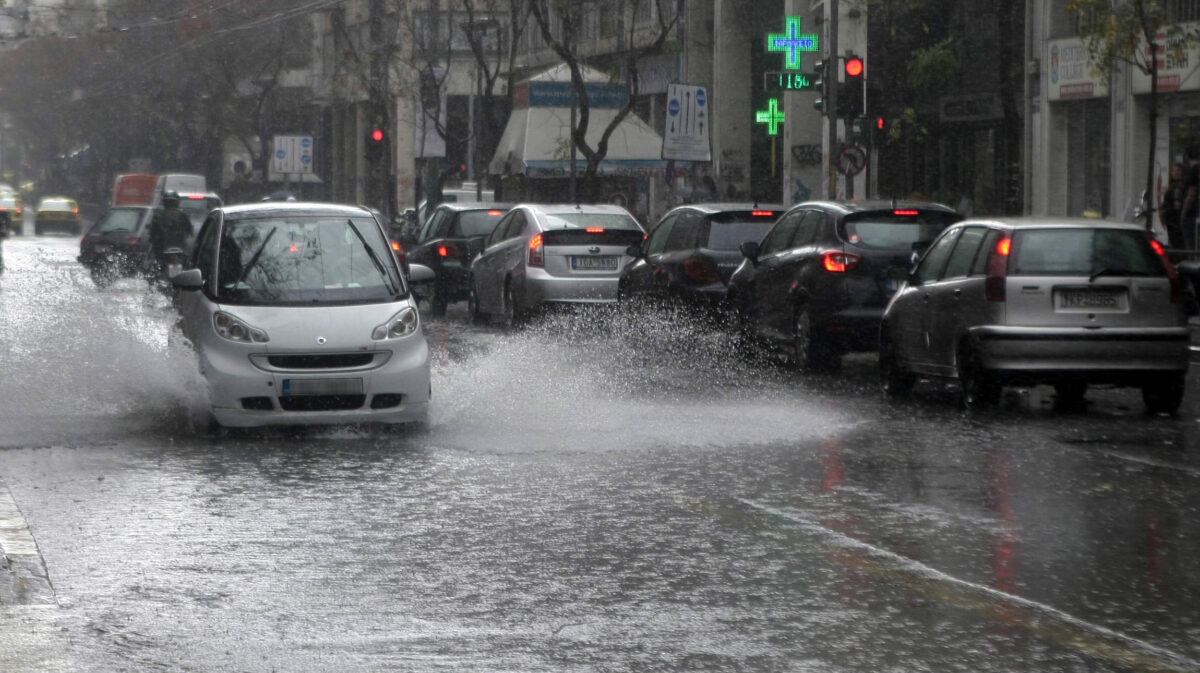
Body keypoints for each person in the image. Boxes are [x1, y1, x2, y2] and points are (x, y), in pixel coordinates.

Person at [147, 191, 194, 283]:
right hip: (179, 248)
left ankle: (155, 278)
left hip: (162, 248)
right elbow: (190, 230)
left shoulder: (158, 215)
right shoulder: (182, 215)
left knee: (153, 265)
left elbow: (152, 233)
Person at [1160, 162, 1189, 252]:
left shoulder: (1178, 187)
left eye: (1178, 170)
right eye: (1173, 171)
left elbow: (1177, 204)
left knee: (1177, 243)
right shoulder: (1173, 185)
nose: (1175, 173)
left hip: (1174, 219)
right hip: (1171, 218)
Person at [1181, 146, 1200, 252]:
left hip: (1191, 213)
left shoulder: (1193, 171)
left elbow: (1191, 193)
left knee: (1190, 243)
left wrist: (1183, 212)